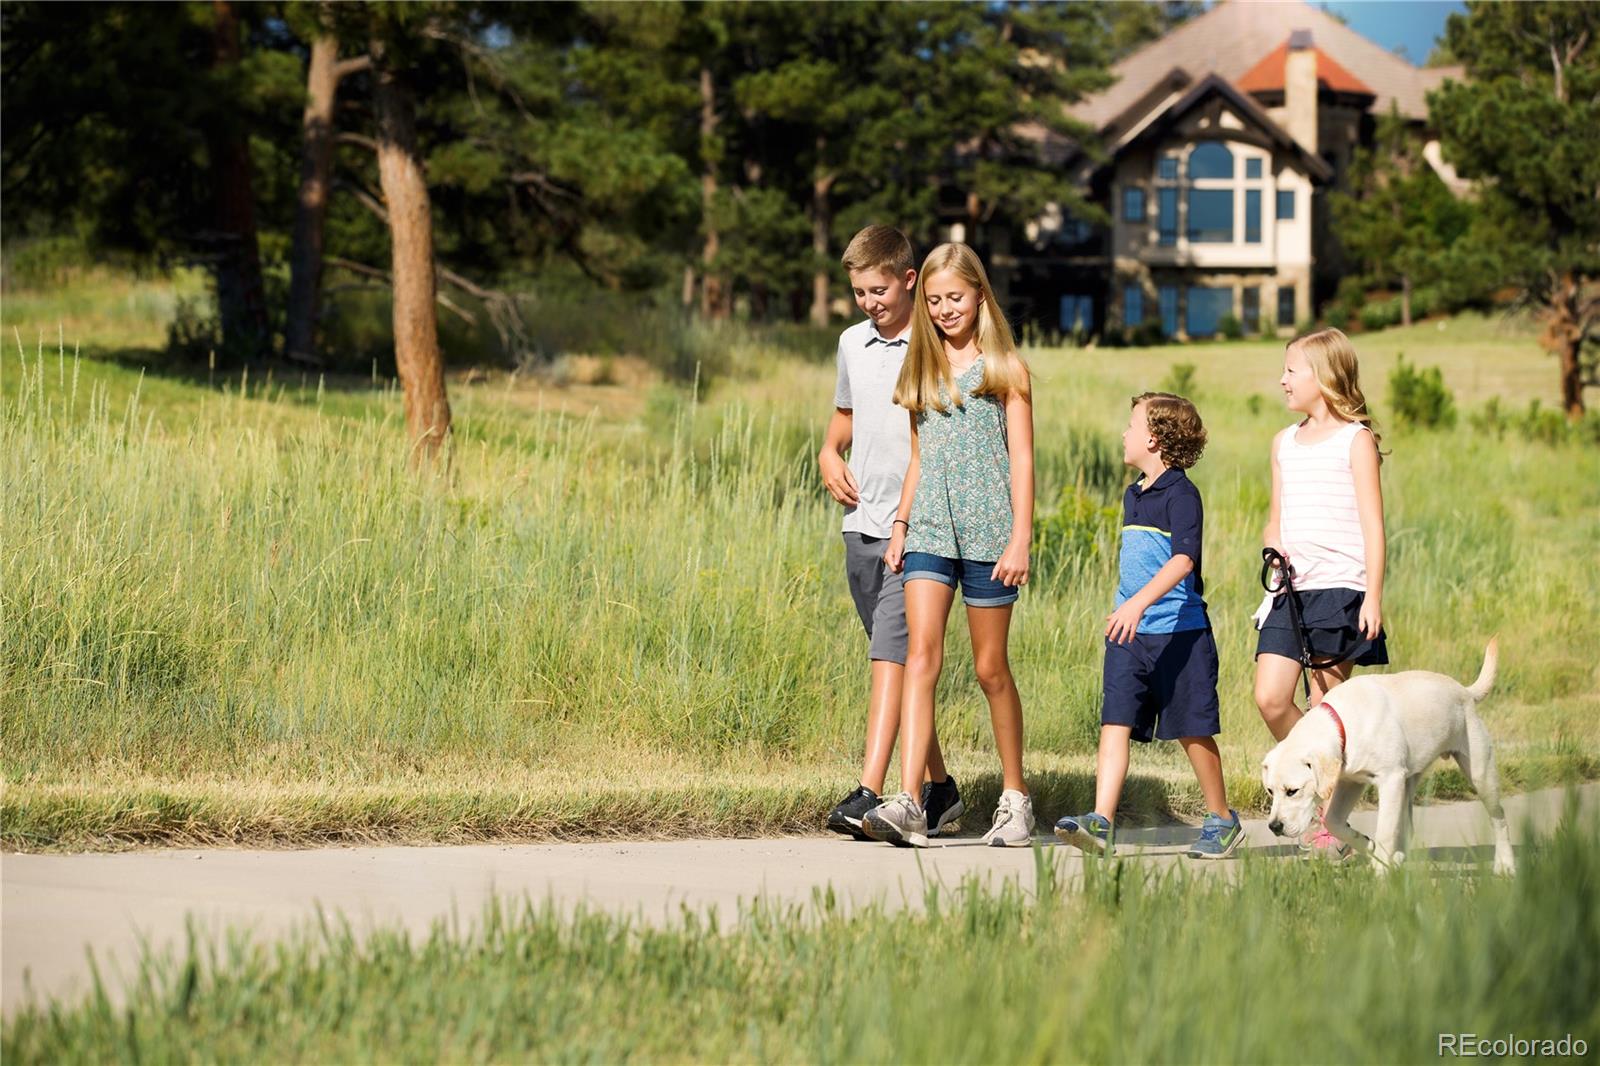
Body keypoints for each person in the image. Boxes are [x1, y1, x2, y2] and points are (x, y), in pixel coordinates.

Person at [862, 242, 1035, 849]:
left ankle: (1015, 799)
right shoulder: (920, 367)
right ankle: (910, 800)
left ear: (978, 294)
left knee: (990, 669)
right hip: (931, 529)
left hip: (991, 532)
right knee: (921, 659)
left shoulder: (1006, 369)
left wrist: (1021, 536)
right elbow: (918, 458)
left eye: (953, 298)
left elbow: (1022, 459)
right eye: (932, 301)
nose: (942, 310)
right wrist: (902, 527)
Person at [820, 225, 963, 840]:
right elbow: (843, 420)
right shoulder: (852, 343)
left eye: (878, 289)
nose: (868, 302)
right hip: (862, 525)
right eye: (857, 292)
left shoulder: (934, 345)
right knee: (898, 666)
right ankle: (943, 791)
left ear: (909, 280)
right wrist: (828, 454)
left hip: (918, 528)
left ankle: (869, 790)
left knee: (889, 659)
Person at [1055, 393, 1242, 859]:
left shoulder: (1182, 494)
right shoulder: (1133, 493)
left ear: (1154, 439)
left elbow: (1184, 560)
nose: (1124, 432)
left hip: (1180, 636)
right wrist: (1128, 610)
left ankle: (1221, 818)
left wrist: (1137, 603)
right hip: (1129, 636)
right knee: (1114, 723)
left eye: (1131, 424)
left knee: (1191, 729)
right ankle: (1101, 820)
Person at [1254, 327, 1388, 857]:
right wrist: (1273, 546)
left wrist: (1372, 596)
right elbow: (1275, 519)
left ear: (1323, 377)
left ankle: (1331, 830)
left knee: (1324, 707)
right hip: (1291, 591)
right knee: (1270, 697)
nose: (1282, 380)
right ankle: (1318, 805)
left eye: (1292, 370)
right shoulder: (1283, 443)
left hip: (1341, 589)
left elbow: (1374, 526)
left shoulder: (1356, 440)